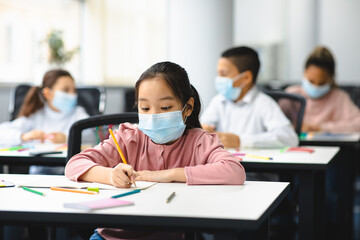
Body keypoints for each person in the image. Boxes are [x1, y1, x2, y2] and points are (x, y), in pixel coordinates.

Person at [65, 61, 246, 240]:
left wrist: (169, 175)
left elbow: (234, 171)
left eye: (165, 108)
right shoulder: (128, 138)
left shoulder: (199, 141)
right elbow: (74, 165)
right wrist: (111, 176)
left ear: (187, 107)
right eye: (145, 108)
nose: (153, 115)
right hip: (113, 237)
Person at [201, 46, 298, 148]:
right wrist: (202, 129)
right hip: (222, 161)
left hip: (253, 162)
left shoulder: (264, 103)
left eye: (223, 74)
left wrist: (240, 141)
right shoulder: (218, 101)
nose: (218, 79)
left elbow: (289, 138)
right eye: (218, 73)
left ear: (246, 78)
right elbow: (204, 126)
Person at [0, 69, 89, 174]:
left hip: (71, 173)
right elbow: (3, 131)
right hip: (38, 173)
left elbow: (92, 134)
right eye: (65, 90)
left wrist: (67, 137)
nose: (72, 95)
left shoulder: (78, 113)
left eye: (74, 91)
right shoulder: (36, 114)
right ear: (47, 93)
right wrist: (24, 136)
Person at [285, 46, 360, 132]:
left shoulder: (340, 98)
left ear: (331, 79)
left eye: (322, 83)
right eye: (311, 81)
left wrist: (321, 128)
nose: (315, 87)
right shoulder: (291, 96)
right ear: (304, 73)